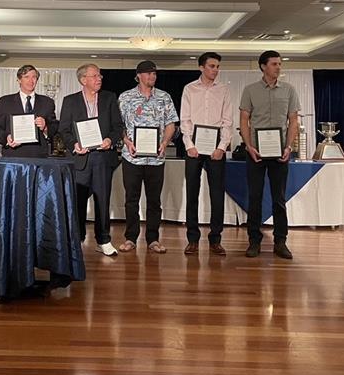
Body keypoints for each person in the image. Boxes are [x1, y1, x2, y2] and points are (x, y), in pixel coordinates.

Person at [239, 50, 300, 260]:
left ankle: (280, 241)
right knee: (254, 197)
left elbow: (293, 120)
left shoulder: (289, 90)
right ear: (263, 66)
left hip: (280, 153)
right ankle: (254, 241)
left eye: (280, 64)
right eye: (274, 64)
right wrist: (248, 146)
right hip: (255, 152)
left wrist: (288, 146)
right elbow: (244, 120)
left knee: (279, 199)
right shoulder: (250, 90)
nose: (278, 67)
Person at [59, 63, 123, 256]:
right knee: (77, 202)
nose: (99, 78)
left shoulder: (110, 98)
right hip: (80, 159)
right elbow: (64, 129)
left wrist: (110, 139)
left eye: (100, 75)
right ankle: (76, 239)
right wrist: (74, 145)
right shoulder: (70, 101)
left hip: (103, 158)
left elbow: (118, 126)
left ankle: (103, 240)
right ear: (83, 80)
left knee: (102, 201)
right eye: (95, 76)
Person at [117, 60, 178, 254]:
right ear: (139, 76)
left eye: (154, 74)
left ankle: (153, 239)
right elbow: (118, 125)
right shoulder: (125, 97)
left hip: (156, 158)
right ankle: (130, 238)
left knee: (154, 201)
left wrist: (165, 142)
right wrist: (127, 141)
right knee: (131, 200)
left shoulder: (164, 97)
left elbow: (171, 124)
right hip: (132, 157)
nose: (152, 77)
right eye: (149, 73)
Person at [180, 52, 233, 256]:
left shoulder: (224, 90)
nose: (215, 70)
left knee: (217, 194)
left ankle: (215, 239)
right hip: (194, 147)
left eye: (217, 66)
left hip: (216, 148)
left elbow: (227, 121)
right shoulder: (189, 89)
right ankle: (192, 239)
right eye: (212, 66)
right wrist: (189, 145)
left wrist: (221, 147)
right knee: (192, 193)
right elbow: (185, 119)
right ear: (201, 67)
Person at [0, 65, 58, 158]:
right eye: (26, 77)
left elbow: (55, 127)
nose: (31, 81)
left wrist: (45, 127)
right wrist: (7, 138)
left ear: (37, 80)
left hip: (39, 156)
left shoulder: (47, 102)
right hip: (13, 155)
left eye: (34, 77)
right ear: (19, 80)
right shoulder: (5, 101)